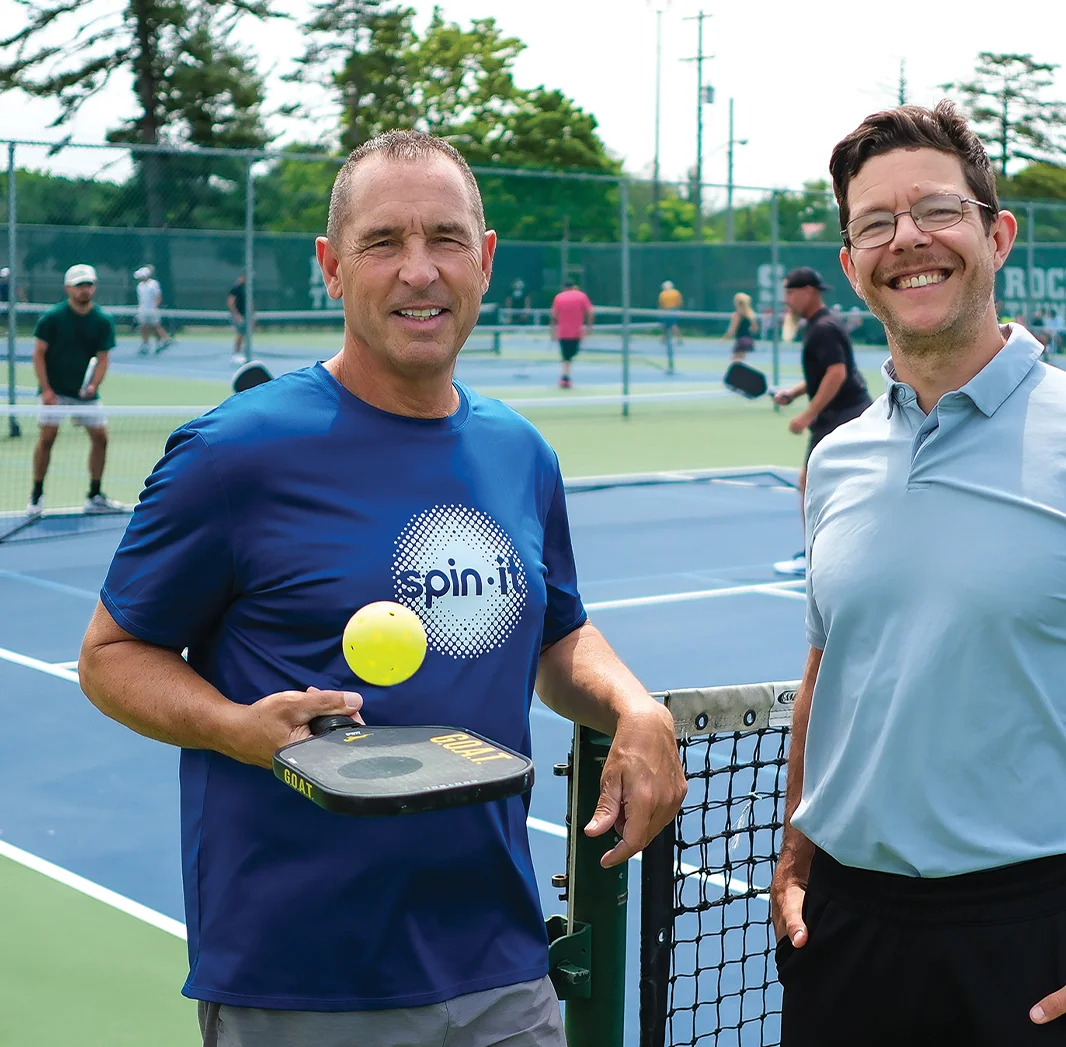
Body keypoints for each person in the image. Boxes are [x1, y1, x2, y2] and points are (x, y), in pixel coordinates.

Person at [77, 130, 687, 1047]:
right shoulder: (232, 455)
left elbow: (558, 635)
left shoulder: (520, 452)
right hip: (303, 981)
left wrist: (634, 707)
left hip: (502, 965)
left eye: (445, 239)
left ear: (484, 260)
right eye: (382, 243)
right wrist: (236, 729)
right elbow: (111, 655)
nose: (419, 271)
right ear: (330, 267)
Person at [770, 101, 1066, 1047]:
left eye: (937, 210)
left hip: (1035, 945)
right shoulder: (835, 461)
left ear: (996, 234)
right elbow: (826, 672)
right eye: (874, 222)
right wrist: (795, 856)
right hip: (842, 937)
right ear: (850, 263)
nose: (907, 239)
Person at [771, 267, 872, 578]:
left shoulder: (823, 328)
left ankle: (812, 556)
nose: (786, 300)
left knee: (810, 483)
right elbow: (825, 372)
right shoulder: (821, 324)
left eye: (790, 293)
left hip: (840, 417)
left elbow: (837, 373)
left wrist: (806, 415)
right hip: (848, 413)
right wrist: (795, 392)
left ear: (809, 292)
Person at [27, 263, 124, 517]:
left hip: (85, 395)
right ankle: (36, 495)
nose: (85, 289)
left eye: (89, 284)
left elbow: (103, 358)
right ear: (68, 288)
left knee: (101, 438)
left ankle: (94, 495)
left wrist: (93, 386)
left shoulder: (103, 320)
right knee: (47, 438)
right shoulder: (52, 318)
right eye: (80, 285)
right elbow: (38, 354)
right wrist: (47, 390)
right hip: (55, 392)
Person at [550, 278, 594, 389]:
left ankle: (565, 377)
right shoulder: (581, 296)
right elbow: (590, 312)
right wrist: (589, 327)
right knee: (569, 356)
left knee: (566, 356)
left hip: (563, 333)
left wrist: (552, 331)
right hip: (576, 333)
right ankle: (565, 377)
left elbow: (554, 315)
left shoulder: (559, 298)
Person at [134, 265, 172, 355]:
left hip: (152, 310)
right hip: (143, 310)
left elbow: (158, 296)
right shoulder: (139, 286)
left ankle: (165, 340)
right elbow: (140, 299)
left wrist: (155, 307)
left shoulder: (154, 284)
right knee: (144, 327)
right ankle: (145, 344)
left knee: (156, 326)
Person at [724, 292, 758, 361]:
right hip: (749, 340)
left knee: (735, 361)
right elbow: (755, 329)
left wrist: (724, 337)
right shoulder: (751, 314)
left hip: (741, 341)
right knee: (740, 360)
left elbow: (732, 330)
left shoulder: (736, 315)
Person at [227, 273, 250, 365]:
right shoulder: (236, 288)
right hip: (238, 315)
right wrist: (236, 315)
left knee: (244, 334)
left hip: (245, 315)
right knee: (240, 333)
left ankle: (243, 352)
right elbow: (230, 302)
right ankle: (236, 354)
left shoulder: (246, 288)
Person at [658, 280, 683, 347]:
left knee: (665, 325)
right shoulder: (676, 293)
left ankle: (665, 337)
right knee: (673, 324)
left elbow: (660, 304)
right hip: (674, 310)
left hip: (665, 310)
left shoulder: (662, 294)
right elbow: (680, 302)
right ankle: (678, 338)